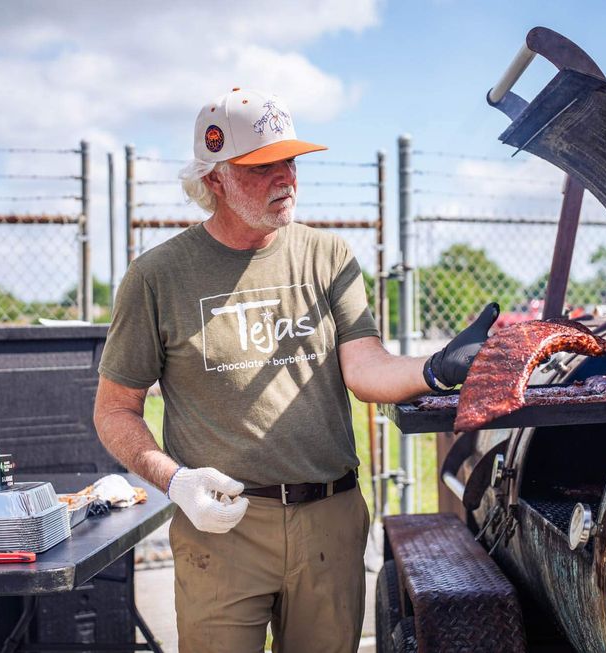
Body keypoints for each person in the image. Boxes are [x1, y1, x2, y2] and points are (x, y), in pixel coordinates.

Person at [93, 88, 499, 653]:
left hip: (329, 521)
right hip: (223, 524)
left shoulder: (328, 256)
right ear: (214, 179)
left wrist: (434, 369)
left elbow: (365, 368)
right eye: (262, 166)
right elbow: (115, 411)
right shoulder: (157, 277)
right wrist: (176, 482)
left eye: (290, 160)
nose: (284, 176)